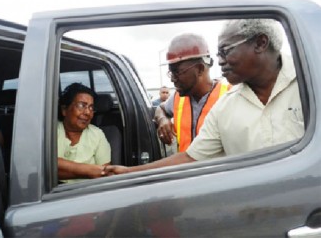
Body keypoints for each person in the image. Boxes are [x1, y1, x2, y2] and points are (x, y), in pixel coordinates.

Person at [101, 18, 304, 176]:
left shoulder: (310, 84)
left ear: (260, 43)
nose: (219, 62)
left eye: (225, 51)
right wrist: (129, 172)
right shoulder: (225, 107)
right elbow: (191, 158)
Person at [154, 33, 231, 153]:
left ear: (200, 69)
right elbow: (160, 108)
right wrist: (162, 119)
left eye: (177, 72)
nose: (172, 79)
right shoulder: (178, 97)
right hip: (187, 170)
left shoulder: (229, 96)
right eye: (171, 73)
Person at [57, 82, 111, 183]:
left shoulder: (97, 135)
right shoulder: (49, 131)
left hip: (85, 193)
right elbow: (41, 165)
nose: (88, 112)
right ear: (64, 110)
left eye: (91, 107)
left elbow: (105, 173)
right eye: (82, 105)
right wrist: (88, 171)